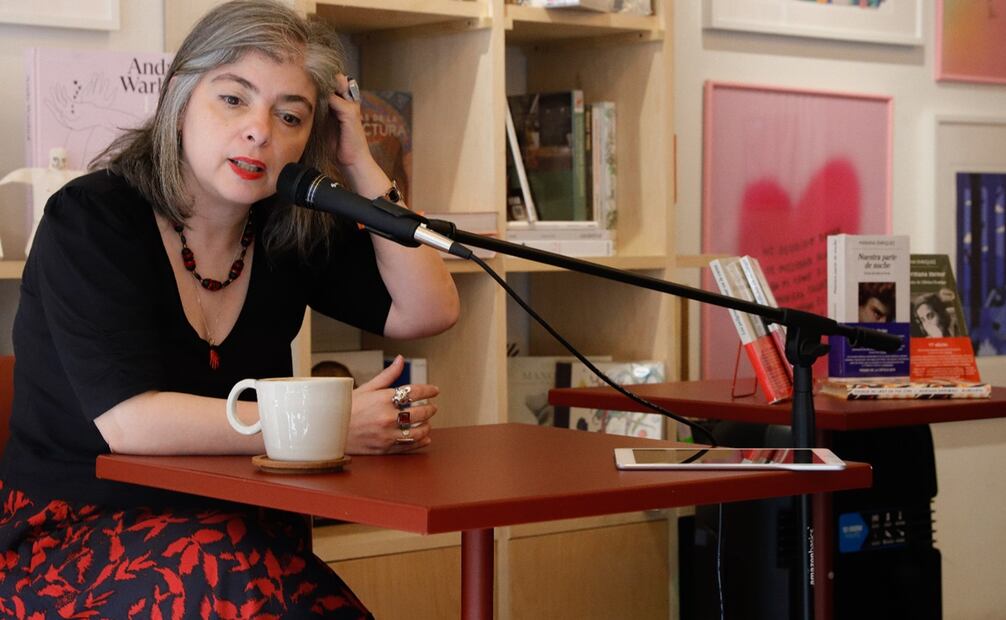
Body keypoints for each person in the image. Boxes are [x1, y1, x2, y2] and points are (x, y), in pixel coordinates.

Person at [0, 1, 460, 617]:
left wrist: (358, 160)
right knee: (230, 574)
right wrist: (321, 429)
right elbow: (129, 422)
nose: (260, 132)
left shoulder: (287, 229)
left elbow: (428, 308)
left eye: (290, 116)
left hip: (247, 537)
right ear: (180, 100)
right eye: (234, 99)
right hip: (78, 534)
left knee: (242, 570)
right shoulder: (91, 220)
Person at [0, 147, 84, 256]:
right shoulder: (40, 174)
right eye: (56, 159)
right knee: (34, 246)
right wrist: (3, 181)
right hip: (41, 218)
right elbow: (20, 174)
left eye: (63, 160)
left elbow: (86, 176)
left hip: (62, 219)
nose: (59, 163)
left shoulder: (71, 175)